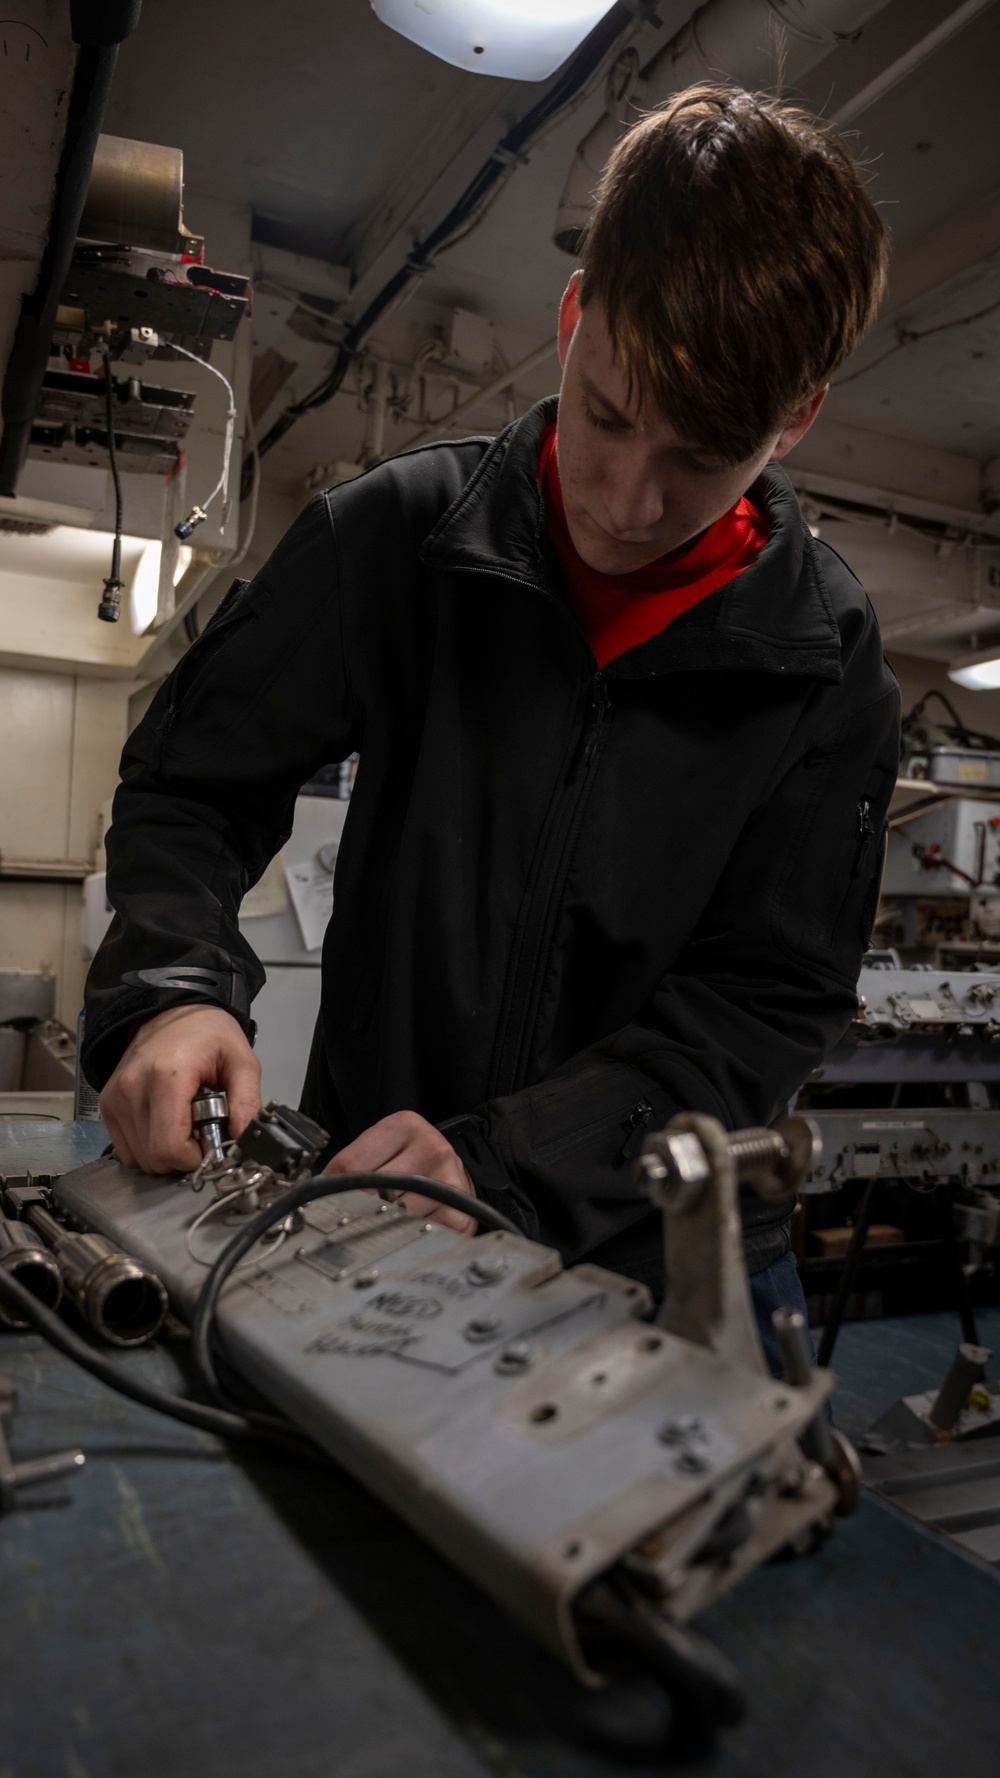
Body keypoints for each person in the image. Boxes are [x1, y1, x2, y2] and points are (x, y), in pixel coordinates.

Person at [84, 85, 900, 1374]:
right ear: (576, 316)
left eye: (702, 455)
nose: (631, 501)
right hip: (371, 1223)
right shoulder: (393, 538)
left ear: (793, 421)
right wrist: (172, 991)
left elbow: (764, 1003)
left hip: (671, 1266)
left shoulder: (830, 668)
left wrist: (507, 1161)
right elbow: (192, 784)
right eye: (613, 412)